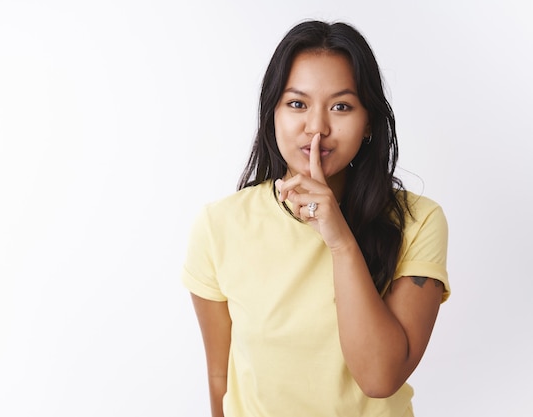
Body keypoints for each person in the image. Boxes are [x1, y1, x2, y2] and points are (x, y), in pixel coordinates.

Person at [181, 19, 450, 417]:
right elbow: (220, 379)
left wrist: (340, 241)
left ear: (369, 121)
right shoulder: (220, 225)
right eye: (296, 104)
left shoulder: (418, 221)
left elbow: (380, 378)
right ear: (271, 113)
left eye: (341, 106)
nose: (316, 128)